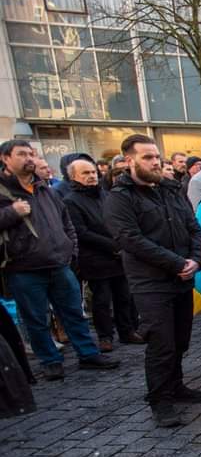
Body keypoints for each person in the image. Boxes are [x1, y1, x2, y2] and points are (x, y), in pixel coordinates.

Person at [106, 134, 201, 427]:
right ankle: (160, 400)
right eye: (147, 157)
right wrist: (176, 263)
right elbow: (131, 240)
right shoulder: (119, 197)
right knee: (161, 343)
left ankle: (176, 385)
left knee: (181, 339)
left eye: (156, 157)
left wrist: (196, 260)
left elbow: (193, 227)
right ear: (129, 161)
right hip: (151, 283)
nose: (155, 162)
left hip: (182, 278)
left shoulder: (171, 191)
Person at [0, 140, 118, 380]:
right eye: (22, 154)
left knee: (74, 312)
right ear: (5, 158)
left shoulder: (45, 189)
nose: (29, 158)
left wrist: (70, 250)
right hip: (24, 267)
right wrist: (12, 213)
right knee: (36, 317)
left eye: (31, 154)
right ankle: (50, 360)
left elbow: (67, 223)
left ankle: (88, 353)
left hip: (59, 263)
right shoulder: (4, 192)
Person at [63, 157, 142, 352]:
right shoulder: (70, 201)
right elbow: (80, 232)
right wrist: (112, 245)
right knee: (101, 301)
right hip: (95, 259)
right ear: (73, 177)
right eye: (85, 173)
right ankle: (105, 336)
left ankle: (127, 331)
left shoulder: (106, 195)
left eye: (92, 172)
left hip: (118, 256)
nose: (91, 176)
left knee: (124, 296)